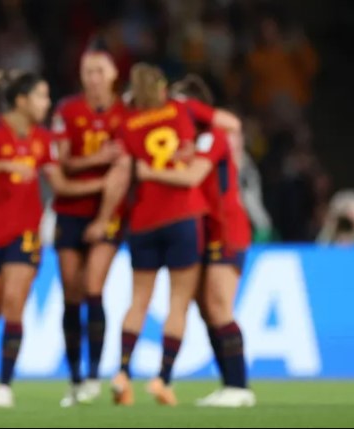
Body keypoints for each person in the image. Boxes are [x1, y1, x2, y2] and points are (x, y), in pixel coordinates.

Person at [0, 72, 106, 407]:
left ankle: (5, 385)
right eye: (41, 96)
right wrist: (3, 163)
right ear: (21, 101)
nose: (46, 103)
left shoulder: (43, 138)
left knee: (13, 305)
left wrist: (106, 186)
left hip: (24, 234)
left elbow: (61, 185)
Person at [85, 63, 207, 406]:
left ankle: (122, 373)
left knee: (138, 300)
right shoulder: (180, 111)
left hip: (143, 221)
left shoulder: (126, 125)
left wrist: (104, 218)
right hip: (182, 216)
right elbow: (190, 152)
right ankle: (163, 379)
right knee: (179, 302)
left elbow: (122, 175)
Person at [136, 74, 256, 407]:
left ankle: (239, 387)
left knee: (219, 305)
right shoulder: (184, 143)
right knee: (206, 310)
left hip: (225, 228)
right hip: (202, 230)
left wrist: (147, 173)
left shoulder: (211, 138)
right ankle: (230, 384)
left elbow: (192, 177)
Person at [49, 42, 127, 407]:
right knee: (71, 293)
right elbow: (63, 164)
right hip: (69, 210)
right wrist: (98, 159)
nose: (93, 78)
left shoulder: (126, 113)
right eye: (87, 71)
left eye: (99, 71)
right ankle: (76, 377)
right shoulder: (68, 110)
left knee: (94, 287)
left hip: (107, 214)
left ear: (113, 75)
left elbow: (124, 168)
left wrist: (104, 217)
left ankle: (95, 375)